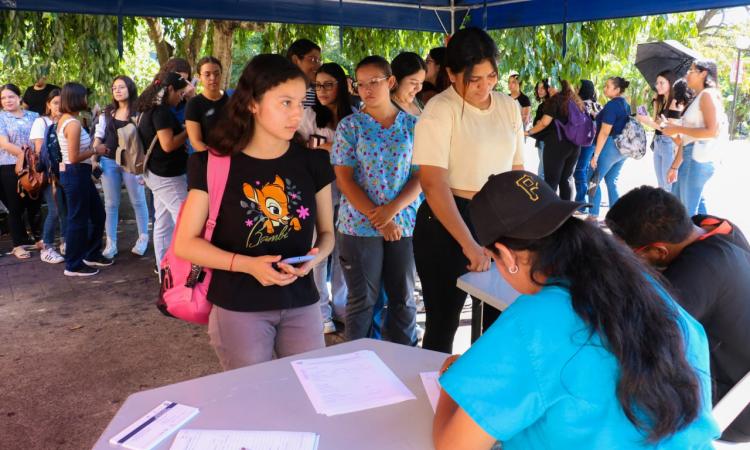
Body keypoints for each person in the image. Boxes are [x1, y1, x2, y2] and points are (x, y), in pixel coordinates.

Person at [433, 171, 719, 450]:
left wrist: (451, 380)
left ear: (506, 256)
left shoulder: (534, 321)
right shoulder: (648, 292)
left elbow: (453, 445)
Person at [175, 54, 335, 369]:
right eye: (285, 103)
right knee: (251, 402)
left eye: (301, 103)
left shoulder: (313, 161)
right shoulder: (212, 165)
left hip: (301, 300)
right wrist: (248, 265)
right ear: (253, 104)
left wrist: (312, 260)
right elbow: (185, 243)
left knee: (308, 394)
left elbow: (328, 234)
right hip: (239, 305)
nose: (297, 114)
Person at [606, 186, 750, 443]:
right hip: (735, 372)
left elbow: (639, 336)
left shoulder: (693, 275)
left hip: (737, 407)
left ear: (660, 251)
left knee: (610, 374)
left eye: (627, 255)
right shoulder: (712, 227)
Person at [412, 27, 525, 353]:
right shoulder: (440, 109)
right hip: (447, 221)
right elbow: (432, 184)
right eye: (474, 79)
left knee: (498, 323)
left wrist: (517, 235)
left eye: (491, 76)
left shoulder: (508, 107)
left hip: (498, 220)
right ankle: (434, 395)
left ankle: (480, 400)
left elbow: (518, 172)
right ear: (451, 73)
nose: (485, 86)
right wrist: (470, 245)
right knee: (443, 324)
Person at [332, 55, 422, 345]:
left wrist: (391, 214)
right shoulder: (350, 126)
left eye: (375, 82)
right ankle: (356, 367)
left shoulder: (413, 125)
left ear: (391, 81)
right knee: (363, 301)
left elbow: (421, 176)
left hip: (403, 224)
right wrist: (379, 219)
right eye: (360, 84)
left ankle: (403, 358)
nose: (367, 89)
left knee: (404, 299)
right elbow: (345, 180)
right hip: (358, 226)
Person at [298, 62, 354, 334]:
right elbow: (299, 147)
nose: (321, 90)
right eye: (317, 85)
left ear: (341, 85)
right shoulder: (307, 116)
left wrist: (324, 145)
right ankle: (320, 310)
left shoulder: (354, 115)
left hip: (349, 192)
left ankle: (341, 305)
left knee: (343, 249)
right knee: (319, 247)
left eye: (328, 84)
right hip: (317, 190)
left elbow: (357, 153)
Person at [57, 82, 112, 276]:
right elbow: (73, 157)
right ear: (76, 99)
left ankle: (91, 253)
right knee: (78, 220)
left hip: (78, 173)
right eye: (84, 96)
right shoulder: (72, 124)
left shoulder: (68, 119)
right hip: (75, 172)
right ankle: (73, 264)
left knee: (97, 215)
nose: (86, 100)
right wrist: (97, 150)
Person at [93, 75, 150, 260]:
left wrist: (144, 167)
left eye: (121, 87)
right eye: (114, 87)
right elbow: (99, 135)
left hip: (132, 162)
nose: (117, 90)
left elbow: (145, 137)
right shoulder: (107, 112)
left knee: (138, 200)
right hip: (109, 160)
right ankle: (111, 242)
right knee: (110, 203)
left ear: (130, 89)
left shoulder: (139, 111)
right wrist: (94, 157)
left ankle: (143, 237)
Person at [137, 72, 189, 269]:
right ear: (169, 89)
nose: (181, 97)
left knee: (163, 223)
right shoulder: (161, 112)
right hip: (167, 175)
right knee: (186, 221)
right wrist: (188, 131)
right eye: (180, 93)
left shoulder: (146, 109)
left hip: (155, 173)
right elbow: (168, 144)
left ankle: (164, 269)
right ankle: (185, 270)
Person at [662, 60, 726, 216]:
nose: (687, 75)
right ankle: (706, 238)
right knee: (683, 207)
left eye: (691, 71)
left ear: (703, 73)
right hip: (690, 155)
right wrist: (675, 166)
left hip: (698, 156)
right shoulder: (700, 96)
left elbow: (712, 131)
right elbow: (687, 138)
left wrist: (677, 128)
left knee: (686, 212)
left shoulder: (707, 95)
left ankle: (693, 240)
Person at [0, 83, 42, 259]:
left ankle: (38, 238)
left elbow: (40, 139)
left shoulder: (34, 116)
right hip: (9, 166)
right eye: (3, 98)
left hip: (34, 165)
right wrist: (25, 154)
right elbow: (4, 143)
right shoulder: (1, 117)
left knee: (34, 203)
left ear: (19, 98)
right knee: (15, 207)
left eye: (11, 96)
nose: (7, 100)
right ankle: (18, 245)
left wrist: (33, 158)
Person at [525, 79, 583, 200]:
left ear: (560, 87)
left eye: (552, 86)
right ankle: (567, 214)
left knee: (551, 181)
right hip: (575, 145)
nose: (549, 89)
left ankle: (550, 214)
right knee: (566, 180)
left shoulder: (555, 100)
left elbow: (544, 123)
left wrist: (528, 132)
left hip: (557, 145)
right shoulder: (575, 101)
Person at [29, 89, 66, 264]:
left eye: (62, 102)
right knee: (55, 209)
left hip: (68, 172)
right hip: (50, 174)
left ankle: (66, 242)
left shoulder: (69, 120)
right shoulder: (41, 122)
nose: (59, 106)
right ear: (48, 105)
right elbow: (39, 150)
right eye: (55, 102)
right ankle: (48, 247)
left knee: (66, 209)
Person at [589, 76, 631, 220]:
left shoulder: (612, 105)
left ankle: (593, 217)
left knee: (593, 179)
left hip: (610, 147)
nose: (605, 89)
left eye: (608, 86)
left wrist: (595, 155)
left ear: (617, 90)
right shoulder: (625, 104)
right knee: (611, 181)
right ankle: (617, 218)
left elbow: (605, 132)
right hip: (622, 149)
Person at [635, 70, 680, 192]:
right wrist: (655, 104)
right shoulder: (663, 101)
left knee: (667, 185)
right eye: (657, 83)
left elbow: (671, 130)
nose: (657, 86)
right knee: (661, 185)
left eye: (662, 83)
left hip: (668, 143)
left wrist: (647, 121)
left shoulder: (675, 102)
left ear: (670, 83)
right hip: (658, 142)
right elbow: (656, 121)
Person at [185, 56, 229, 152]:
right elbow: (195, 141)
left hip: (234, 157)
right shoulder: (194, 104)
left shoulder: (231, 99)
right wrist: (217, 158)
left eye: (216, 74)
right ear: (199, 77)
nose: (213, 78)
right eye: (207, 74)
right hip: (208, 159)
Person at [573, 79, 602, 209]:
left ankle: (581, 204)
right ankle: (587, 203)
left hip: (584, 142)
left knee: (579, 170)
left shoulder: (579, 104)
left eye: (577, 88)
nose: (575, 90)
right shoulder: (598, 105)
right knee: (586, 171)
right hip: (596, 143)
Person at [286, 39, 322, 108]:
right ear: (295, 60)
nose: (319, 65)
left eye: (319, 60)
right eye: (313, 59)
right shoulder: (282, 93)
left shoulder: (320, 94)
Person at [390, 52, 426, 116]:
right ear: (396, 80)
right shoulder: (386, 108)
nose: (418, 88)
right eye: (413, 83)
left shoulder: (417, 102)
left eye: (421, 83)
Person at [531, 79, 551, 178]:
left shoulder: (548, 105)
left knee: (542, 172)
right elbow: (537, 123)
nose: (540, 90)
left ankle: (541, 193)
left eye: (543, 88)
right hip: (543, 140)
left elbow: (542, 124)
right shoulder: (542, 105)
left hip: (545, 141)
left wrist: (540, 123)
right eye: (538, 88)